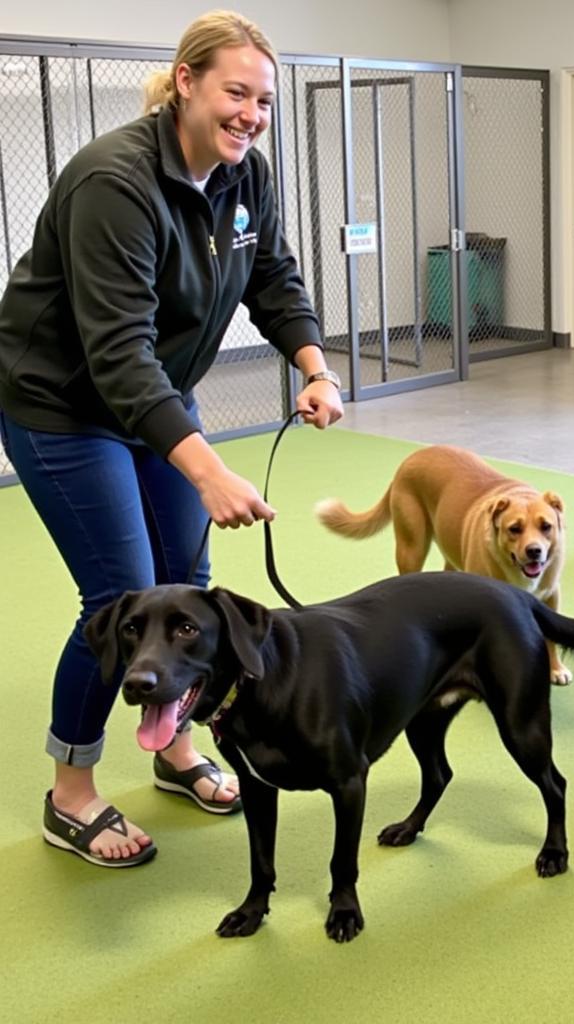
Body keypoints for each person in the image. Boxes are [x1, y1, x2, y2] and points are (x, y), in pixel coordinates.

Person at [0, 10, 343, 867]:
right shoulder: (114, 182)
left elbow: (272, 273)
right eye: (236, 92)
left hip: (153, 395)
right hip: (61, 405)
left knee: (185, 591)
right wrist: (206, 472)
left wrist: (313, 362)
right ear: (185, 82)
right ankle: (70, 793)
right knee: (121, 600)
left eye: (263, 99)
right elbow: (117, 355)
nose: (251, 113)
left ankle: (178, 747)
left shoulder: (245, 173)